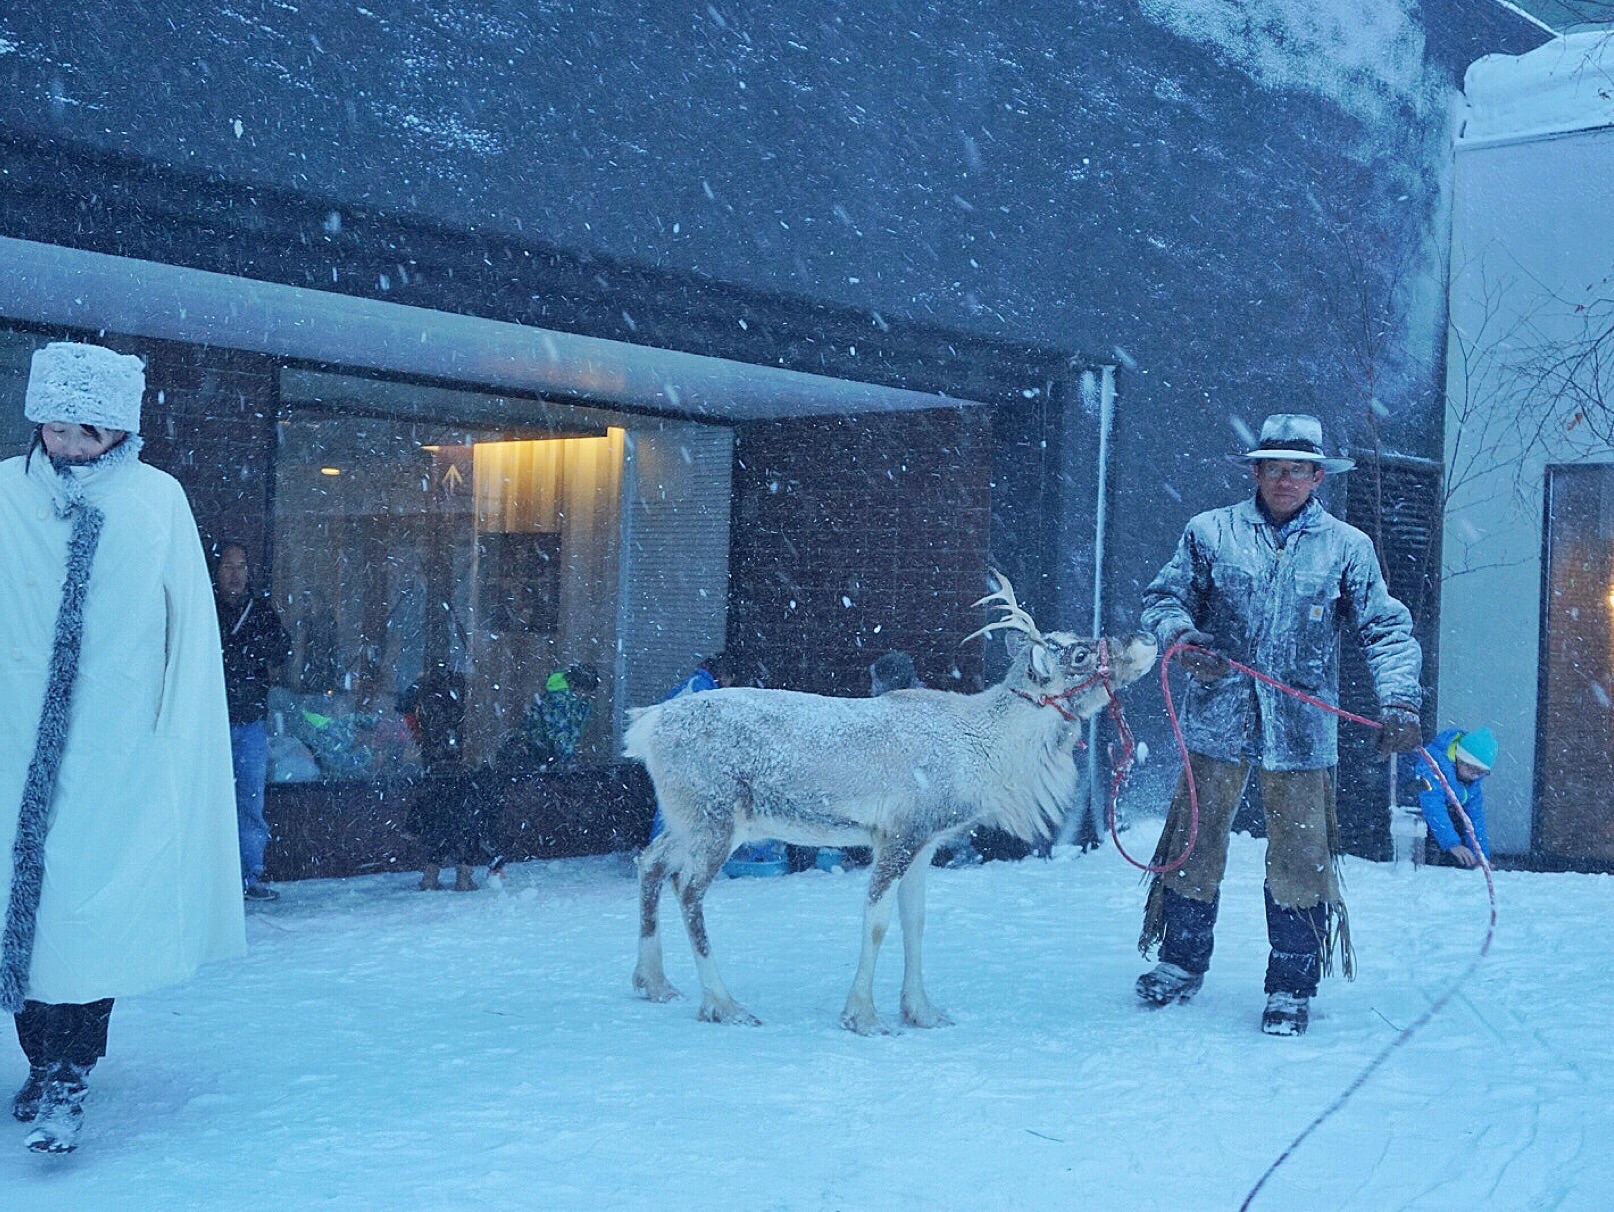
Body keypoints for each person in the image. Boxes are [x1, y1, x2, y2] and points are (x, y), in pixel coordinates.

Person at [0, 342, 243, 1152]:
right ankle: (40, 1057)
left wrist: (172, 735)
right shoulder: (3, 494)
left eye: (89, 432)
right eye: (60, 429)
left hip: (116, 749)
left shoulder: (155, 500)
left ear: (118, 431)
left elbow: (187, 626)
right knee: (26, 911)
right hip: (12, 738)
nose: (70, 447)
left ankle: (74, 1067)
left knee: (96, 911)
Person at [1134, 413, 1424, 1037]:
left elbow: (1385, 628)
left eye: (1299, 468)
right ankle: (1181, 962)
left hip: (1301, 732)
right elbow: (1165, 599)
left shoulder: (1348, 547)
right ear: (1256, 472)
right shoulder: (1208, 533)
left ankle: (1291, 985)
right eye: (1274, 467)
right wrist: (1183, 639)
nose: (1286, 479)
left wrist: (1400, 701)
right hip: (1215, 721)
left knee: (1301, 857)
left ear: (1319, 476)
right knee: (1193, 844)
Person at [214, 542, 293, 902]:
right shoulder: (205, 606)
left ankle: (250, 875)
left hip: (249, 723)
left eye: (241, 566)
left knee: (249, 802)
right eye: (229, 567)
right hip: (210, 722)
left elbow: (282, 650)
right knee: (210, 801)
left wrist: (256, 645)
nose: (235, 574)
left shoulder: (259, 610)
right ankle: (211, 880)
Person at [401, 668, 483, 891]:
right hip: (458, 771)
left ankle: (430, 876)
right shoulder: (457, 704)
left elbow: (406, 712)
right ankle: (463, 876)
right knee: (463, 823)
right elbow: (467, 734)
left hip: (434, 770)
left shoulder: (424, 702)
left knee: (438, 823)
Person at [1411, 727, 1495, 867]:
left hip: (1442, 824)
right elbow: (1432, 804)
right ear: (1458, 758)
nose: (1474, 775)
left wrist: (1481, 855)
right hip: (1417, 814)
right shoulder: (1432, 766)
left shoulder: (1472, 783)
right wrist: (1452, 843)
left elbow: (1475, 819)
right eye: (1471, 768)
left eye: (1481, 772)